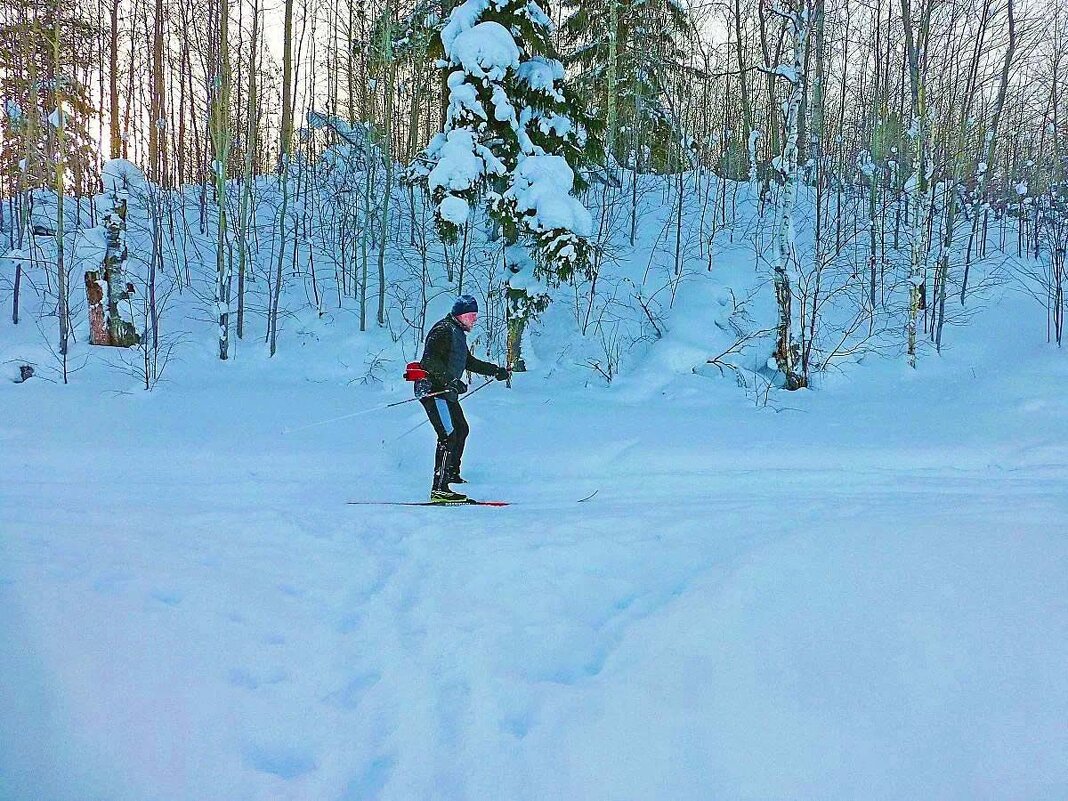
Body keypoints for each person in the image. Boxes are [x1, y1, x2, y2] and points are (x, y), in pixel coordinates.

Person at [415, 295, 510, 502]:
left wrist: (495, 371)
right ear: (460, 315)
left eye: (475, 315)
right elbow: (429, 361)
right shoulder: (442, 330)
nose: (474, 320)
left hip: (446, 391)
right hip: (433, 390)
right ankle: (439, 488)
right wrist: (451, 380)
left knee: (461, 429)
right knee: (448, 435)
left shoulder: (457, 332)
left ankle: (450, 472)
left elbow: (468, 361)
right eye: (471, 316)